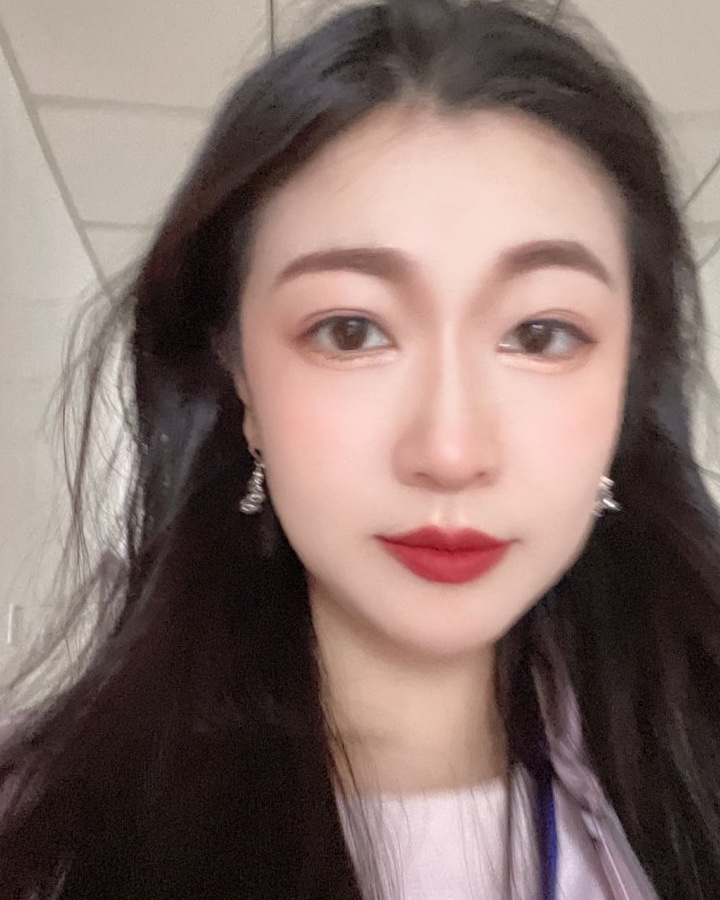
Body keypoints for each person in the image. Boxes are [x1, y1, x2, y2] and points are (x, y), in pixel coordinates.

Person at [0, 0, 718, 897]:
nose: (449, 450)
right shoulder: (45, 844)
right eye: (350, 330)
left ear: (629, 381)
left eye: (540, 335)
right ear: (240, 379)